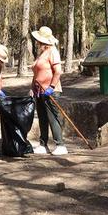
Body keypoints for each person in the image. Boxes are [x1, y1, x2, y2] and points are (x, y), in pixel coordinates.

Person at [30, 26, 67, 156]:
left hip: (51, 90)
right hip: (39, 91)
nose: (37, 42)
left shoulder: (52, 51)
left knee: (52, 117)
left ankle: (60, 144)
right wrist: (32, 88)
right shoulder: (42, 53)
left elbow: (58, 71)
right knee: (42, 118)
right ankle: (43, 144)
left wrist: (51, 87)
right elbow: (37, 73)